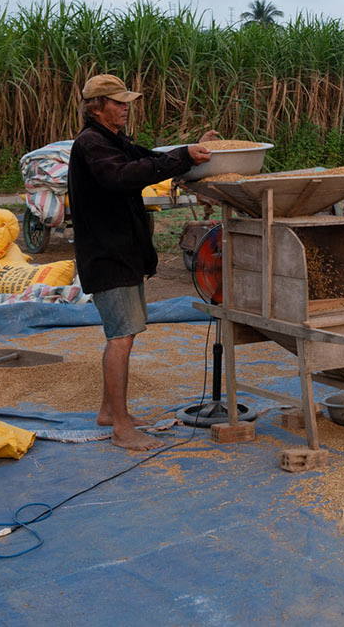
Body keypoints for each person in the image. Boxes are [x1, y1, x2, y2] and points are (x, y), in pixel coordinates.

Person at [68, 73, 219, 450]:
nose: (125, 107)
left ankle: (109, 411)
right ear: (96, 107)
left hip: (122, 252)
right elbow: (122, 177)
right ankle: (120, 427)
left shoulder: (112, 140)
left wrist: (187, 152)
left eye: (126, 102)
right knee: (120, 338)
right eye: (118, 102)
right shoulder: (91, 144)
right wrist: (183, 157)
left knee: (127, 333)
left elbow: (148, 159)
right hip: (107, 255)